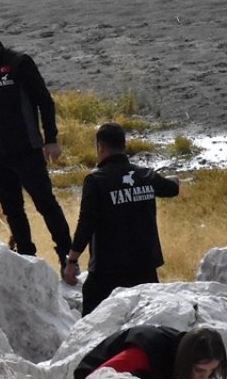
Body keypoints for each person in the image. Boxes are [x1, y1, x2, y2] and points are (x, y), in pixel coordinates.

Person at [0, 23, 73, 268]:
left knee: (46, 204)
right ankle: (26, 259)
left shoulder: (19, 63)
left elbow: (45, 101)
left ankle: (67, 256)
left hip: (27, 149)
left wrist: (51, 139)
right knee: (12, 210)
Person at [63, 123, 179, 316]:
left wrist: (72, 261)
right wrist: (175, 179)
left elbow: (86, 224)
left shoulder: (96, 181)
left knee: (93, 324)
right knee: (149, 319)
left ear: (100, 147)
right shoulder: (146, 176)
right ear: (124, 146)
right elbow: (171, 189)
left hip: (107, 270)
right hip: (145, 266)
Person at [74, 325, 227, 379]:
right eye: (200, 370)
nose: (205, 376)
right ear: (188, 362)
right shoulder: (146, 353)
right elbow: (96, 377)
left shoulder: (189, 357)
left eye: (212, 370)